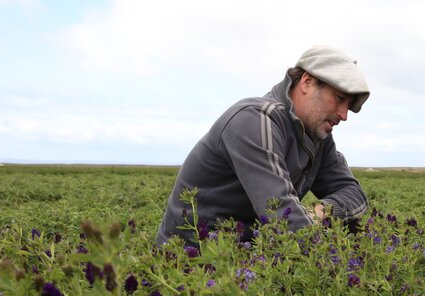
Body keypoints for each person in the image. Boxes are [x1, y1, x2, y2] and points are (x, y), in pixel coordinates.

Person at [156, 45, 370, 246]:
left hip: (247, 259)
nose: (344, 115)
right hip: (189, 265)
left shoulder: (316, 136)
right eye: (339, 98)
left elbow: (354, 194)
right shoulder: (255, 120)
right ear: (307, 82)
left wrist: (321, 210)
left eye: (348, 106)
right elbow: (281, 216)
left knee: (353, 228)